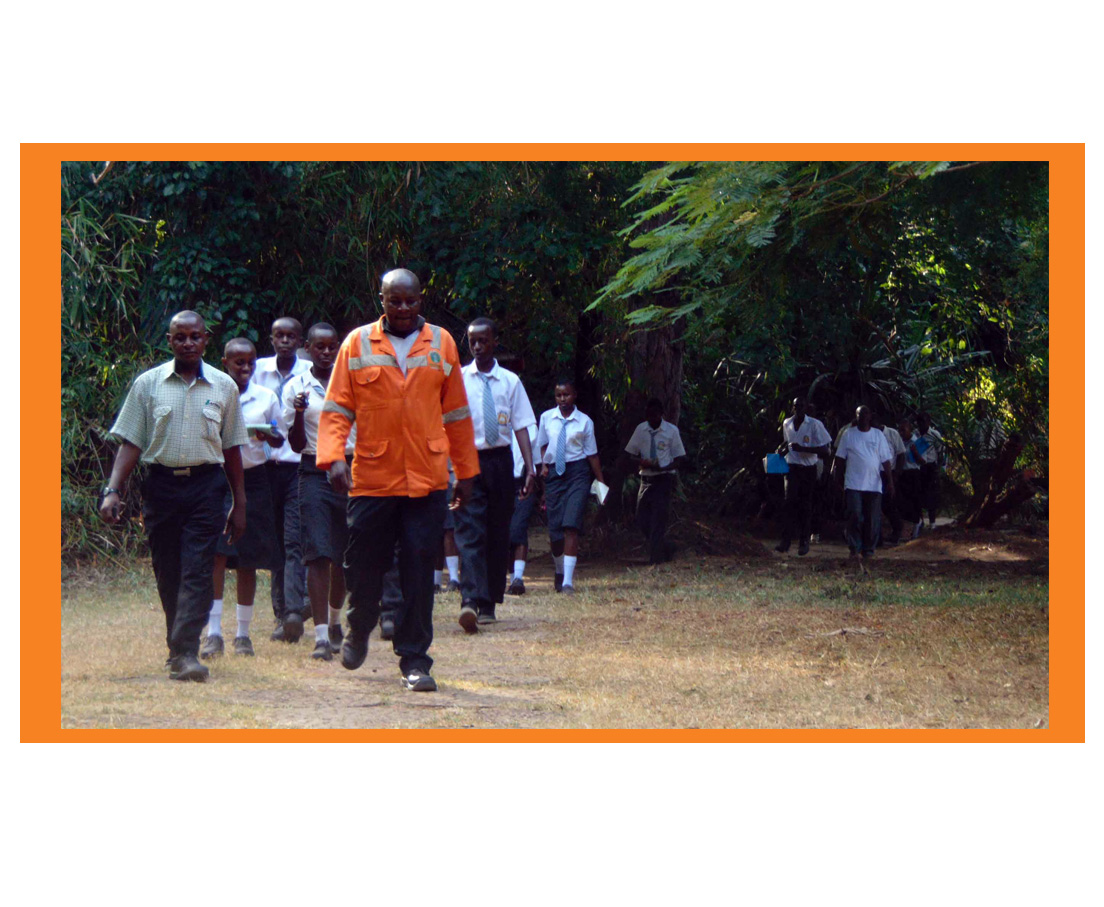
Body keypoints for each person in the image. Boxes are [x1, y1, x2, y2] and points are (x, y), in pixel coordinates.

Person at [317, 268, 480, 692]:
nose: (403, 309)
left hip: (427, 480)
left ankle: (415, 660)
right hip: (373, 476)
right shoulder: (357, 343)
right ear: (382, 300)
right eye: (395, 301)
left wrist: (466, 472)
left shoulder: (442, 342)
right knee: (362, 564)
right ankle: (360, 624)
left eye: (410, 301)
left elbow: (458, 414)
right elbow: (336, 408)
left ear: (420, 300)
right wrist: (333, 457)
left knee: (418, 569)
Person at [99, 310, 248, 682]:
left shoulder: (224, 387)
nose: (187, 343)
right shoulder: (148, 384)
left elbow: (231, 449)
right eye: (180, 337)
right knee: (169, 570)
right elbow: (132, 441)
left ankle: (186, 652)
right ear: (169, 341)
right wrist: (113, 490)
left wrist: (239, 503)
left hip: (206, 486)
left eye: (194, 337)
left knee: (198, 567)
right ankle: (177, 646)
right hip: (161, 486)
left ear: (205, 339)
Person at [202, 338, 286, 658]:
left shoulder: (265, 397)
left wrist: (269, 435)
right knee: (218, 555)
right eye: (239, 363)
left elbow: (277, 442)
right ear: (224, 362)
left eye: (251, 362)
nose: (246, 368)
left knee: (248, 558)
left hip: (254, 479)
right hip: (219, 480)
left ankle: (242, 634)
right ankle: (213, 633)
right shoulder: (213, 393)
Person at [454, 317, 537, 633]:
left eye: (483, 341)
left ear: (495, 342)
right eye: (472, 341)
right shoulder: (460, 380)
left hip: (501, 462)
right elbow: (450, 424)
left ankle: (488, 603)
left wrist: (530, 469)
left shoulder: (510, 382)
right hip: (469, 460)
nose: (477, 346)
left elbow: (521, 427)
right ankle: (470, 600)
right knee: (469, 530)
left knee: (496, 531)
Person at [283, 323, 354, 660]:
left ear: (338, 347)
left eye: (331, 347)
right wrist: (298, 413)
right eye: (319, 347)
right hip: (313, 471)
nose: (326, 353)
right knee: (318, 553)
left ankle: (337, 619)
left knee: (343, 556)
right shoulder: (296, 386)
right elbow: (296, 444)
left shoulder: (353, 380)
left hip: (353, 470)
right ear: (307, 348)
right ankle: (322, 638)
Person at [253, 317, 312, 642]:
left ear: (300, 341)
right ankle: (283, 613)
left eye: (291, 336)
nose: (285, 341)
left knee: (293, 540)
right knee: (274, 543)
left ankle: (292, 611)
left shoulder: (309, 373)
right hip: (263, 467)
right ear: (272, 339)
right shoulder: (258, 369)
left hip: (295, 466)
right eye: (280, 336)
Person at [536, 378, 605, 594]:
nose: (563, 399)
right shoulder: (547, 418)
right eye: (559, 395)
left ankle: (567, 581)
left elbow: (591, 454)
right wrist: (544, 466)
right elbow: (543, 445)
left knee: (571, 525)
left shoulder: (584, 422)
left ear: (574, 395)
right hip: (555, 474)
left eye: (566, 395)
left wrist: (600, 480)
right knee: (555, 531)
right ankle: (559, 570)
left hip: (577, 473)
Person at [624, 398, 686, 564]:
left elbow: (679, 458)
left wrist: (664, 467)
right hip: (646, 478)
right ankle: (667, 546)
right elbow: (630, 453)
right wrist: (641, 462)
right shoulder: (641, 430)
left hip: (663, 479)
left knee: (659, 518)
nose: (652, 418)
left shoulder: (671, 431)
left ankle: (656, 558)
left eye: (655, 415)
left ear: (661, 414)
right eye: (649, 415)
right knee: (642, 518)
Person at [833, 405, 895, 560]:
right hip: (853, 483)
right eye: (860, 414)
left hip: (874, 484)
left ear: (870, 416)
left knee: (872, 519)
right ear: (856, 416)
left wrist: (890, 481)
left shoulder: (878, 435)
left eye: (866, 414)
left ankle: (868, 550)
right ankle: (854, 547)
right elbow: (840, 459)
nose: (863, 417)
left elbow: (886, 460)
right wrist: (837, 479)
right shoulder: (848, 434)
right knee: (854, 514)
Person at [773, 396, 830, 556]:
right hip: (791, 467)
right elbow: (787, 443)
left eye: (801, 406)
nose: (798, 409)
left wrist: (803, 448)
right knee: (788, 503)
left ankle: (804, 541)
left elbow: (825, 451)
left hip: (808, 468)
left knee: (805, 505)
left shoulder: (815, 425)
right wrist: (781, 449)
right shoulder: (787, 423)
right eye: (795, 406)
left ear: (806, 408)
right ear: (792, 408)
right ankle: (785, 541)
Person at [507, 422, 540, 595]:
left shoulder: (530, 427)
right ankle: (512, 578)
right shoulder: (496, 423)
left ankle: (518, 577)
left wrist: (539, 486)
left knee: (518, 529)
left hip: (523, 481)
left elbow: (538, 460)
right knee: (504, 533)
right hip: (501, 483)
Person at [873, 413, 907, 547]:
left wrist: (896, 475)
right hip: (874, 473)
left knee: (888, 504)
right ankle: (877, 537)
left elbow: (901, 454)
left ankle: (897, 529)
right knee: (876, 505)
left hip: (889, 473)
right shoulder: (871, 434)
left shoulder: (892, 433)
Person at [910, 412, 944, 530]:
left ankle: (933, 523)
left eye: (924, 422)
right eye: (919, 422)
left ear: (929, 422)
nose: (921, 425)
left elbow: (941, 452)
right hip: (917, 468)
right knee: (918, 495)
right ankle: (920, 522)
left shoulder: (934, 435)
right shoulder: (915, 434)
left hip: (930, 467)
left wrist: (940, 468)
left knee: (931, 495)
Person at [969, 398, 1007, 494]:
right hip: (976, 457)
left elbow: (1002, 439)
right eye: (976, 406)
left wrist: (998, 455)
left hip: (990, 457)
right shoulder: (972, 423)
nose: (976, 409)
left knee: (987, 483)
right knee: (977, 483)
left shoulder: (995, 422)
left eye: (979, 406)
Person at [897, 417, 923, 539]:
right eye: (900, 430)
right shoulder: (898, 441)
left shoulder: (918, 441)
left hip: (914, 473)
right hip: (903, 474)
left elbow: (923, 461)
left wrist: (915, 452)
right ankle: (906, 529)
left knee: (914, 501)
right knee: (903, 502)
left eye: (903, 430)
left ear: (909, 430)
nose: (901, 433)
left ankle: (917, 526)